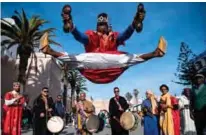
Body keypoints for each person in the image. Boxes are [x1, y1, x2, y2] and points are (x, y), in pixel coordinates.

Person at [39, 3, 167, 84]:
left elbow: (124, 35)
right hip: (92, 66)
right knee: (77, 58)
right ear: (97, 25)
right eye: (99, 24)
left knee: (127, 58)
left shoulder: (114, 36)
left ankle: (156, 52)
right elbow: (81, 38)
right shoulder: (92, 35)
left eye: (103, 24)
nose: (101, 27)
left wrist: (134, 24)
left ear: (107, 25)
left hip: (112, 67)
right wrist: (72, 28)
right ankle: (49, 49)